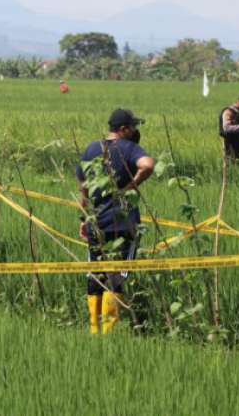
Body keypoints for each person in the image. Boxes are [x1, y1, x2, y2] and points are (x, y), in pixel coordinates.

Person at [76, 109, 155, 334]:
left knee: (95, 271)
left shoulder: (92, 149)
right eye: (133, 127)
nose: (135, 131)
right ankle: (109, 331)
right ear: (123, 129)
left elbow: (83, 186)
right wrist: (131, 185)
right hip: (123, 223)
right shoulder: (129, 148)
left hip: (96, 222)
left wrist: (85, 218)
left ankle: (94, 329)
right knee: (117, 274)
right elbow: (148, 165)